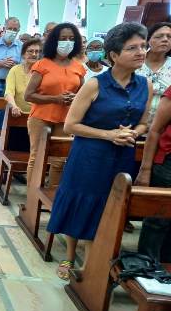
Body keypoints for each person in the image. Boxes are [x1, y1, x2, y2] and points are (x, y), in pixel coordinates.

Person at [47, 22, 151, 280]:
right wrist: (108, 134)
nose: (141, 52)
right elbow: (71, 124)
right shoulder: (95, 85)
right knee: (81, 202)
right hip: (90, 155)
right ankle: (71, 257)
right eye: (132, 48)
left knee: (108, 206)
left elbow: (144, 121)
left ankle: (95, 263)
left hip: (122, 155)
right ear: (114, 56)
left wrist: (134, 133)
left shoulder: (145, 85)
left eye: (142, 46)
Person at [24, 22, 86, 184]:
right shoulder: (42, 64)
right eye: (63, 38)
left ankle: (50, 197)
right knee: (37, 158)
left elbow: (83, 93)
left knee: (59, 160)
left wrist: (75, 98)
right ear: (54, 41)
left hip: (65, 118)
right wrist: (55, 99)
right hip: (41, 116)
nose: (67, 42)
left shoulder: (78, 67)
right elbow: (28, 95)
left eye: (71, 38)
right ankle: (31, 199)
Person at [136, 86, 171, 261]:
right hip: (168, 162)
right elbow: (155, 130)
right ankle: (146, 266)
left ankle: (165, 266)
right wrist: (145, 169)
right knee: (158, 219)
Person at [136, 22, 171, 124]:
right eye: (159, 36)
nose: (165, 39)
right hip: (132, 126)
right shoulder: (135, 62)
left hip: (163, 128)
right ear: (148, 40)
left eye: (169, 37)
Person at [5, 38, 42, 116]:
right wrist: (14, 106)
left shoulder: (43, 72)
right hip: (18, 114)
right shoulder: (15, 70)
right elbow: (9, 92)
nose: (34, 54)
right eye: (31, 51)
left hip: (38, 116)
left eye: (37, 52)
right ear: (23, 54)